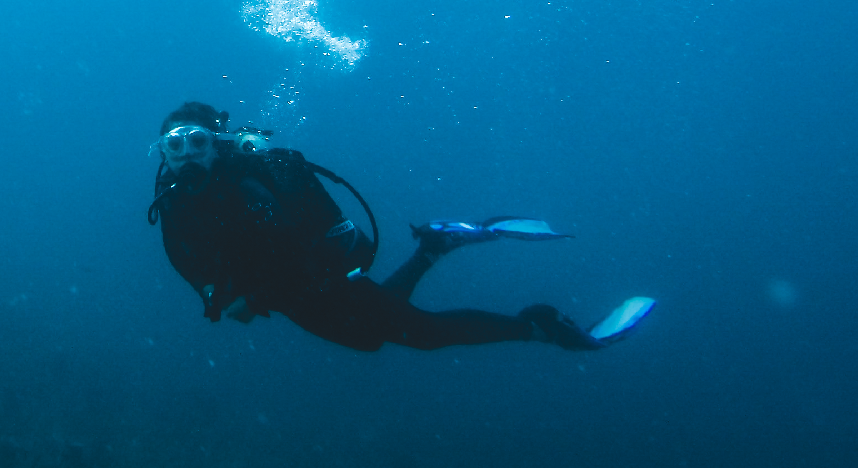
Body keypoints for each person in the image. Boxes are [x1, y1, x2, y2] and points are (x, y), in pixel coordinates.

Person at [148, 102, 655, 352]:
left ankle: (537, 326)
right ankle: (433, 249)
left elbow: (305, 240)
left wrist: (259, 288)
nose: (187, 155)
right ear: (163, 153)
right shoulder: (172, 202)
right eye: (175, 145)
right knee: (375, 338)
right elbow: (187, 261)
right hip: (290, 295)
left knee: (418, 334)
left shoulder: (252, 184)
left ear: (217, 145)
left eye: (197, 142)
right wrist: (217, 294)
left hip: (315, 281)